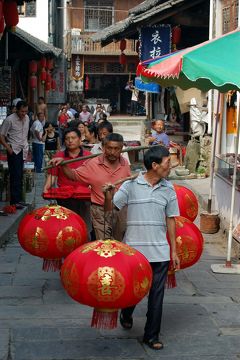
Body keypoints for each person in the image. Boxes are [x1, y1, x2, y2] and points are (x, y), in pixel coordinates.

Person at [104, 145, 180, 350]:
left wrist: (173, 250)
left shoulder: (169, 188)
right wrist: (108, 195)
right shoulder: (130, 185)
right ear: (155, 165)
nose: (170, 165)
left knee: (157, 295)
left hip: (160, 252)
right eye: (167, 162)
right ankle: (126, 313)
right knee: (134, 290)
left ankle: (151, 335)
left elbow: (171, 219)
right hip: (134, 252)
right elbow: (112, 210)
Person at [49, 133, 131, 239]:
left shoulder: (125, 163)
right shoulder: (93, 164)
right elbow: (73, 175)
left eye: (116, 149)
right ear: (104, 148)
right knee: (104, 243)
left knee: (120, 243)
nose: (112, 152)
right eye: (109, 148)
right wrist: (63, 164)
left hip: (121, 209)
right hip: (100, 210)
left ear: (121, 149)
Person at [43, 128, 92, 238]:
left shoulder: (89, 155)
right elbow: (52, 175)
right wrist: (46, 188)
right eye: (67, 139)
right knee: (65, 228)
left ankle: (82, 250)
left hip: (83, 197)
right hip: (64, 197)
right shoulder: (59, 156)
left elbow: (92, 177)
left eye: (73, 138)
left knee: (83, 227)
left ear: (80, 140)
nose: (70, 141)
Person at [0, 100, 29, 208]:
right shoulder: (9, 120)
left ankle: (19, 199)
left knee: (20, 175)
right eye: (22, 111)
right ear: (17, 109)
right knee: (15, 175)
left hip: (23, 149)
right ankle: (14, 201)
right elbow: (1, 135)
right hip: (13, 149)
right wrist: (8, 148)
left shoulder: (27, 118)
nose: (24, 114)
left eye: (26, 111)